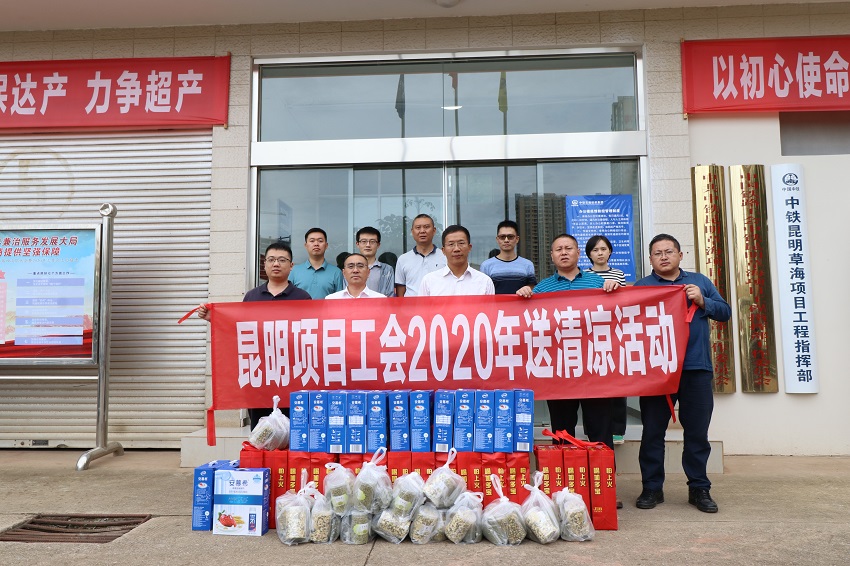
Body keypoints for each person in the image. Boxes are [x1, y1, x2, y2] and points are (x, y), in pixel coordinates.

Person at [633, 233, 731, 514]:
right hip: (656, 372)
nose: (663, 257)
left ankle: (699, 488)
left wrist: (703, 301)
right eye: (657, 253)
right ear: (650, 259)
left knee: (697, 432)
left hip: (695, 368)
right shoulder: (642, 287)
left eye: (669, 251)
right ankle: (652, 487)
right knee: (652, 432)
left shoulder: (699, 282)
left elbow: (724, 312)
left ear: (680, 255)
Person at [197, 242, 311, 428]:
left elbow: (310, 333)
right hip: (260, 373)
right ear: (264, 264)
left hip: (291, 372)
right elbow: (240, 329)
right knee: (260, 430)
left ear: (291, 266)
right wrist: (214, 318)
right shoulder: (252, 296)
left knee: (293, 427)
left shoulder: (302, 297)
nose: (276, 264)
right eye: (271, 260)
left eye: (282, 260)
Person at [524, 234, 620, 449]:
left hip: (594, 367)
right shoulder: (541, 289)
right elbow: (528, 324)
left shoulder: (598, 283)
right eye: (559, 249)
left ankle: (602, 471)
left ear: (578, 253)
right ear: (552, 256)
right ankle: (563, 471)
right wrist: (523, 296)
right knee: (562, 431)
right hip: (559, 370)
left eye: (568, 248)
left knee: (600, 428)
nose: (564, 253)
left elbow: (617, 317)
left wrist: (615, 291)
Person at [585, 234, 629, 444]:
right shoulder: (584, 275)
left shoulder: (619, 274)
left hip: (614, 333)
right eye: (595, 250)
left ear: (610, 251)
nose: (600, 253)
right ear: (589, 254)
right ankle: (591, 429)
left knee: (617, 381)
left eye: (603, 249)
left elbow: (625, 301)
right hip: (590, 336)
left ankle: (617, 429)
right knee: (592, 386)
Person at [419, 225, 495, 296]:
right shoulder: (429, 281)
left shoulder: (485, 281)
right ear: (443, 250)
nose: (456, 249)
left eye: (461, 243)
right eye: (451, 244)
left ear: (469, 247)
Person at [394, 214, 447, 297]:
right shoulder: (403, 259)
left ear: (434, 231)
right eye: (418, 227)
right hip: (411, 305)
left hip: (438, 304)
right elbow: (400, 293)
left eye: (426, 227)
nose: (422, 231)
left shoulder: (445, 257)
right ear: (412, 231)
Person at [480, 219, 537, 295]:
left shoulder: (528, 264)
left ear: (517, 239)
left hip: (521, 303)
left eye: (510, 237)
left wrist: (527, 289)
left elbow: (533, 288)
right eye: (502, 237)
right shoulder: (486, 265)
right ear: (497, 239)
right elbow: (483, 291)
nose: (506, 240)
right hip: (495, 303)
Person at [289, 227, 345, 299]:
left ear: (326, 245)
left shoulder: (336, 272)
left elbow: (339, 300)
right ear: (306, 245)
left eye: (320, 241)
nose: (316, 244)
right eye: (312, 241)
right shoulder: (294, 271)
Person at [354, 226, 395, 297]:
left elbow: (389, 296)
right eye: (364, 241)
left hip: (381, 304)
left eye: (372, 242)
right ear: (357, 244)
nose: (368, 245)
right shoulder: (350, 269)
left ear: (378, 245)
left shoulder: (387, 270)